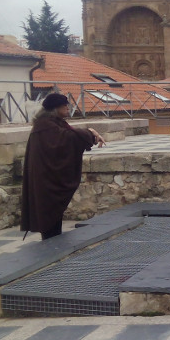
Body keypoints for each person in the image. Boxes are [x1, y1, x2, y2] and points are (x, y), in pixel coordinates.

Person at [20, 93, 105, 240]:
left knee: (53, 219)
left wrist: (89, 132)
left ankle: (53, 246)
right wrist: (90, 133)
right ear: (54, 108)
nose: (67, 107)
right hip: (46, 181)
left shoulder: (52, 124)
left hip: (48, 178)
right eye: (64, 105)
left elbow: (69, 134)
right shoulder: (46, 127)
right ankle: (50, 250)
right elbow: (68, 139)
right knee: (48, 219)